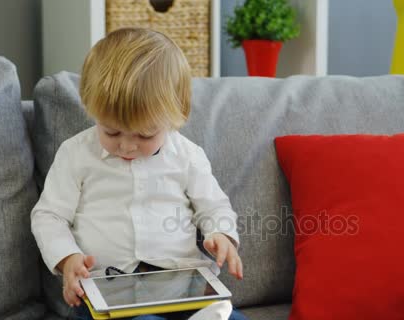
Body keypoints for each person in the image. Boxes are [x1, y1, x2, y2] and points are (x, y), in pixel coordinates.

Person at [31, 28, 246, 320]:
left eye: (145, 135)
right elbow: (49, 216)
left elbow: (214, 206)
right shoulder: (76, 154)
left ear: (176, 117)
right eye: (112, 131)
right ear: (91, 108)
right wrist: (67, 259)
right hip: (104, 292)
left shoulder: (187, 155)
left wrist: (220, 233)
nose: (128, 146)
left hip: (182, 288)